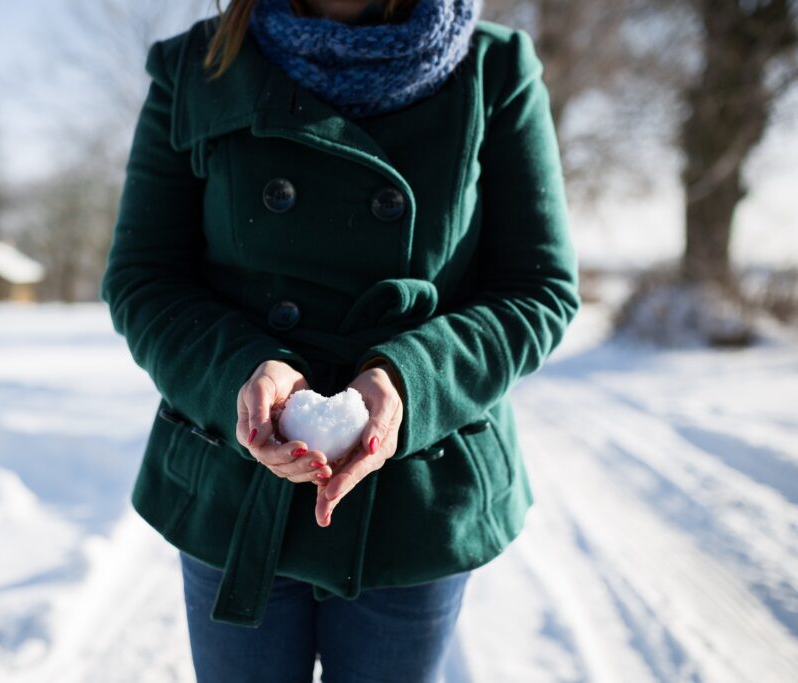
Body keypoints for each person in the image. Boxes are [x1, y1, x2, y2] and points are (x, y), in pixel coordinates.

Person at [100, 0, 581, 680]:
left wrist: (406, 383)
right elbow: (143, 277)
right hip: (236, 491)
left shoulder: (494, 67)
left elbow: (539, 287)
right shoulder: (197, 66)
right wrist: (245, 372)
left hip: (416, 500)